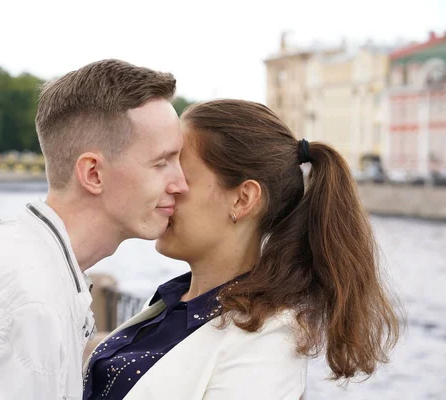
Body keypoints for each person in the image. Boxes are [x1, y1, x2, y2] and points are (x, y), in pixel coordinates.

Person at [0, 59, 188, 400]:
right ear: (93, 173)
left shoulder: (6, 248)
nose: (180, 183)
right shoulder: (33, 302)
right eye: (161, 163)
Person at [83, 99, 401, 399]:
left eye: (181, 176)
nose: (165, 188)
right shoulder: (176, 302)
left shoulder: (270, 342)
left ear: (242, 199)